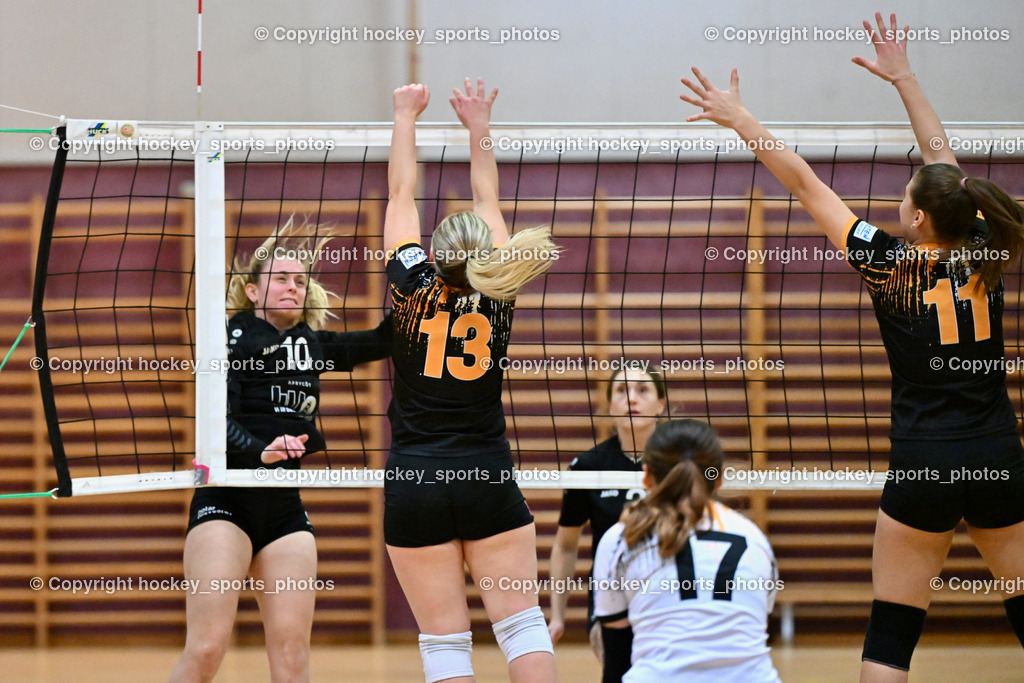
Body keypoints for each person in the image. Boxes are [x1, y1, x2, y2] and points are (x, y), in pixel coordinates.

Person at [681, 12, 1024, 682]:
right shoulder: (985, 250)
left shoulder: (890, 265)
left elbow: (806, 184)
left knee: (891, 632)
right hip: (996, 452)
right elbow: (941, 157)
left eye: (904, 197)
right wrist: (906, 78)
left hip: (924, 460)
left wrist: (742, 119)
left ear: (919, 218)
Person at [382, 78, 559, 683]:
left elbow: (401, 193)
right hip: (485, 470)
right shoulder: (499, 291)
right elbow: (488, 198)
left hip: (417, 477)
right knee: (520, 625)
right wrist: (478, 122)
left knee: (445, 643)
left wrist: (405, 115)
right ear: (488, 255)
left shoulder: (409, 286)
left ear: (432, 253)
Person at [170, 221, 392, 683]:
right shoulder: (234, 338)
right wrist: (259, 452)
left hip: (284, 508)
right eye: (280, 279)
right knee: (208, 647)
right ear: (252, 291)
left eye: (299, 280)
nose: (293, 286)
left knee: (292, 658)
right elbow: (213, 422)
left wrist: (416, 293)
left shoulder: (312, 344)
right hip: (225, 501)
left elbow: (379, 341)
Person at [593, 419, 780, 682]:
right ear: (719, 478)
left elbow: (617, 660)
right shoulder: (755, 540)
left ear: (646, 475)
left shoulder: (621, 539)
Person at [548, 364, 667, 662]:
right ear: (611, 407)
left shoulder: (680, 462)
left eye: (642, 390)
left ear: (660, 405)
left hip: (671, 591)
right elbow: (565, 546)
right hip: (610, 594)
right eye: (622, 391)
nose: (632, 399)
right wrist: (558, 615)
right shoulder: (588, 467)